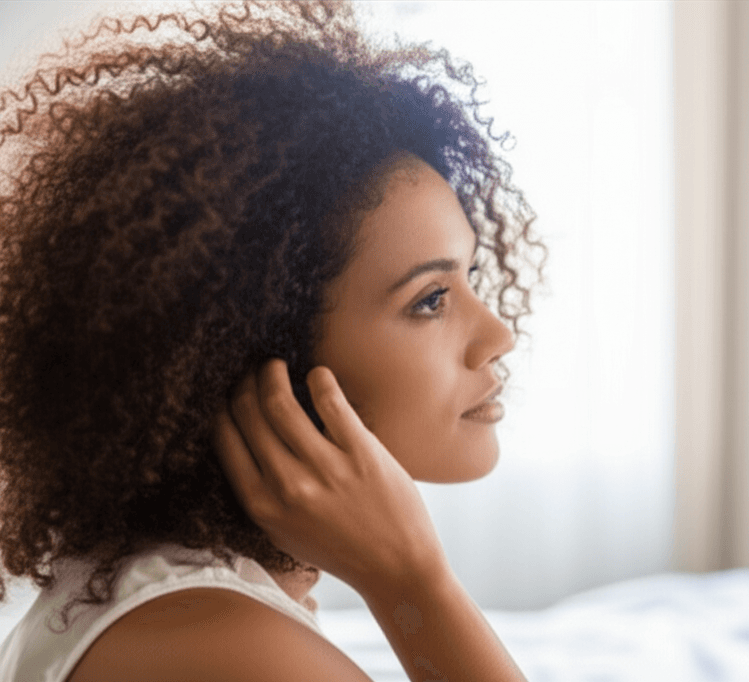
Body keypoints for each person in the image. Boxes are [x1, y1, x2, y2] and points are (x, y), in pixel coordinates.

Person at [0, 1, 544, 680]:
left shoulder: (176, 597)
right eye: (430, 300)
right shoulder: (225, 646)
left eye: (468, 277)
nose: (498, 334)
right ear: (263, 356)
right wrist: (414, 584)